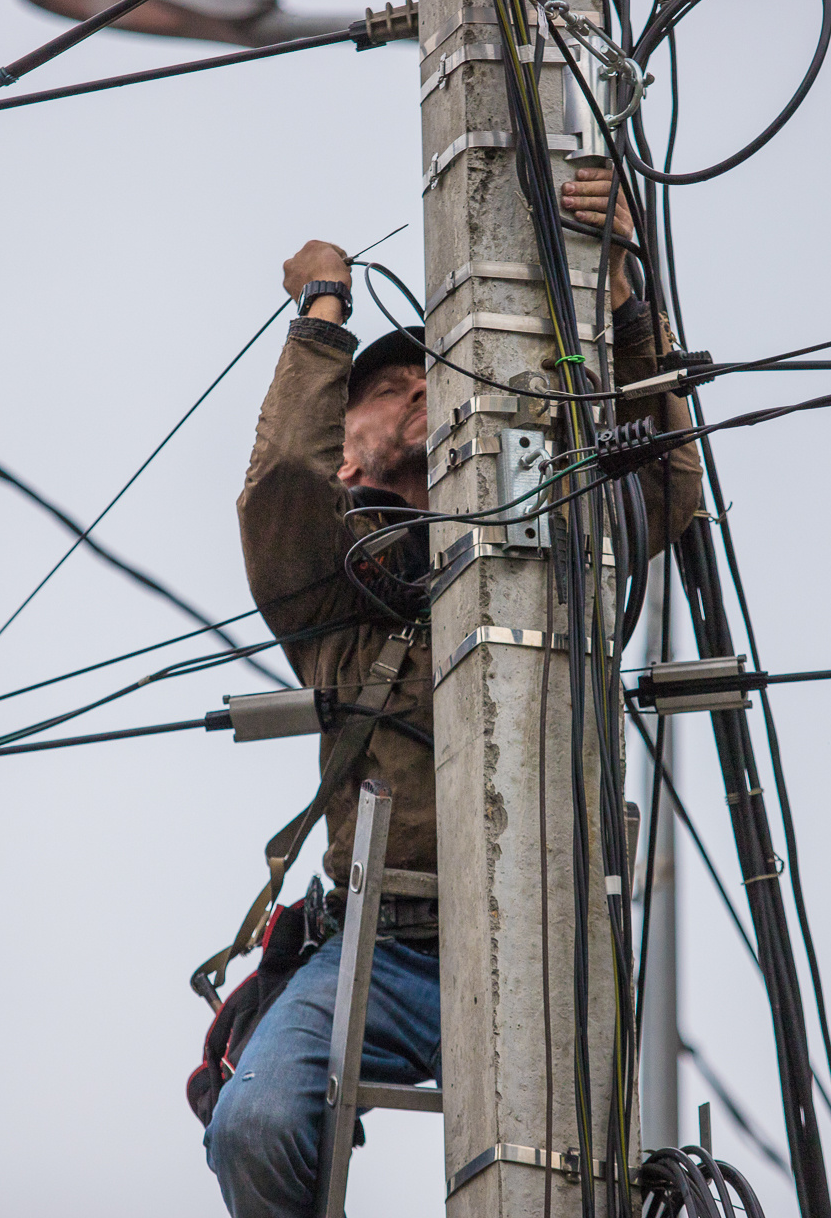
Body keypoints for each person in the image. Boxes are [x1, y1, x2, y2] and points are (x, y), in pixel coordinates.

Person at [202, 169, 704, 1218]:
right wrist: (323, 320)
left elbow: (659, 480)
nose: (422, 390)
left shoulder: (561, 555)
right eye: (389, 388)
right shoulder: (335, 597)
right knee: (255, 1123)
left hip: (541, 924)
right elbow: (280, 494)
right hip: (377, 945)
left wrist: (621, 291)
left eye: (435, 377)